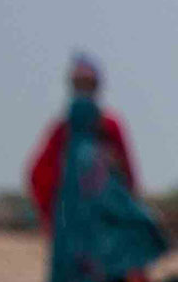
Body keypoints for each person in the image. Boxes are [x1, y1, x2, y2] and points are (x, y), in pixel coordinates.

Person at [38, 74, 170, 282]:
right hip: (101, 271)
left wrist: (53, 225)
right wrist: (149, 232)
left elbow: (38, 177)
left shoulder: (68, 162)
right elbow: (125, 201)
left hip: (74, 266)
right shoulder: (97, 164)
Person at [27, 54, 135, 224]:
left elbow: (127, 174)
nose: (84, 89)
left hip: (103, 218)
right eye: (80, 84)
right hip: (72, 219)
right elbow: (39, 174)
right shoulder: (62, 130)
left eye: (87, 84)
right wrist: (53, 213)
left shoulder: (109, 126)